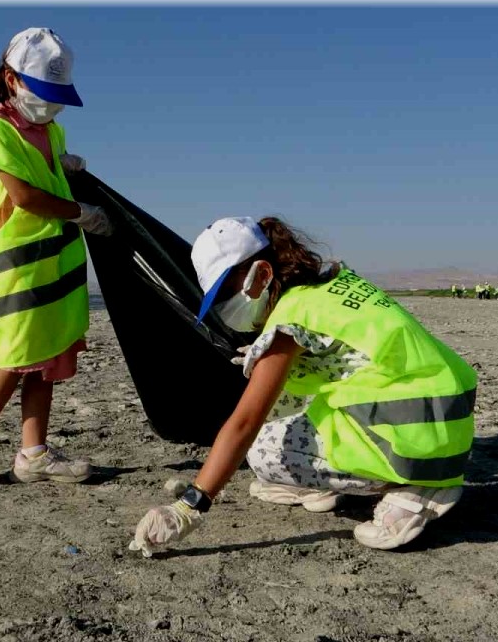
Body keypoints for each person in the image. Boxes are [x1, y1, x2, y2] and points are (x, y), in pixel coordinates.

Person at [128, 216, 477, 556]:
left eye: (225, 293)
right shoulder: (330, 284)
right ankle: (319, 482)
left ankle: (416, 488)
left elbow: (245, 422)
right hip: (445, 419)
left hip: (421, 443)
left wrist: (190, 505)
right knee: (287, 396)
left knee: (262, 450)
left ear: (262, 273)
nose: (224, 307)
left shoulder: (291, 319)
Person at [0, 27, 112, 484]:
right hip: (14, 256)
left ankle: (33, 453)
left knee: (47, 355)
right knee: (16, 348)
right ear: (12, 79)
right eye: (42, 92)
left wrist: (62, 165)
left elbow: (44, 173)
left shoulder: (53, 130)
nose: (49, 105)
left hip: (55, 257)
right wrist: (81, 212)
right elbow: (23, 196)